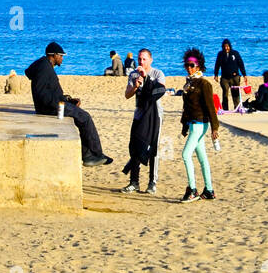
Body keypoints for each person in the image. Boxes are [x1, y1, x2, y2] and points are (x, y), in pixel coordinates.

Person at [25, 41, 112, 167]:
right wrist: (60, 104)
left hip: (54, 105)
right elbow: (42, 94)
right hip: (50, 109)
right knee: (85, 117)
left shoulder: (45, 66)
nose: (62, 58)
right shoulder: (44, 68)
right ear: (53, 55)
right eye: (61, 56)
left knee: (81, 117)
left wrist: (67, 100)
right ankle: (95, 155)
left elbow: (49, 91)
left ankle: (90, 154)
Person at [120, 48, 166, 195]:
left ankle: (152, 182)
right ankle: (134, 182)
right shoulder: (133, 75)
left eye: (144, 59)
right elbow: (127, 95)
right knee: (134, 147)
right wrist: (136, 86)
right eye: (139, 59)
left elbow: (161, 90)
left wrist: (147, 78)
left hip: (154, 116)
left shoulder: (157, 74)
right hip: (139, 115)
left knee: (153, 148)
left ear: (150, 60)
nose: (141, 61)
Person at [179, 47, 219, 202]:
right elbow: (186, 108)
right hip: (192, 123)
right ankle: (209, 190)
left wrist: (215, 127)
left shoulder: (204, 84)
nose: (189, 68)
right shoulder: (189, 84)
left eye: (192, 65)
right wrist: (184, 125)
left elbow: (211, 107)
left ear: (199, 66)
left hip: (200, 124)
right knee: (202, 158)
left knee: (185, 155)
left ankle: (193, 190)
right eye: (187, 65)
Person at [213, 39, 247, 111]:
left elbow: (241, 64)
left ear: (230, 46)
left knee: (235, 93)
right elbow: (217, 65)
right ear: (223, 47)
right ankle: (225, 109)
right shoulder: (220, 54)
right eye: (225, 46)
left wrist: (244, 75)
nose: (226, 48)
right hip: (224, 78)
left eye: (227, 46)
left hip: (235, 77)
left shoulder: (235, 53)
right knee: (225, 93)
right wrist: (216, 74)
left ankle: (237, 108)